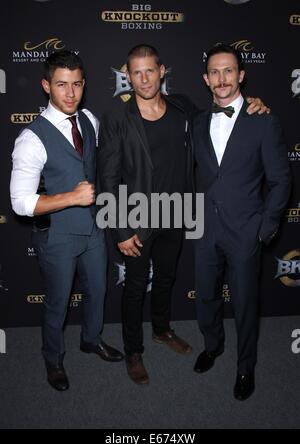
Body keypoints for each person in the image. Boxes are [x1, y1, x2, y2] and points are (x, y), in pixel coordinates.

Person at [98, 44, 267, 385]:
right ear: (127, 77)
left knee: (165, 278)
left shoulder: (183, 107)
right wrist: (119, 229)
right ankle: (133, 350)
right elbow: (107, 177)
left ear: (162, 71)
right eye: (136, 72)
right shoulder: (117, 117)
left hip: (177, 212)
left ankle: (161, 329)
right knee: (133, 287)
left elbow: (223, 115)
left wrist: (255, 105)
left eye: (150, 70)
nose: (144, 79)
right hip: (136, 216)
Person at [10, 50, 123, 392]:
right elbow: (20, 203)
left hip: (92, 229)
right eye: (61, 85)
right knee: (58, 302)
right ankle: (53, 358)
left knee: (98, 291)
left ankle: (91, 339)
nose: (70, 93)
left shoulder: (89, 118)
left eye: (76, 84)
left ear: (84, 85)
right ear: (46, 86)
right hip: (57, 237)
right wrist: (71, 197)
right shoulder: (30, 139)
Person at [192, 43, 291, 400]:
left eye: (228, 71)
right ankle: (212, 346)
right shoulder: (197, 121)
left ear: (241, 76)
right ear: (206, 79)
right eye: (214, 72)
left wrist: (265, 227)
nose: (221, 79)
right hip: (203, 227)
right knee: (205, 296)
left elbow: (281, 180)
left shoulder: (264, 120)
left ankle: (245, 366)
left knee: (246, 303)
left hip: (245, 231)